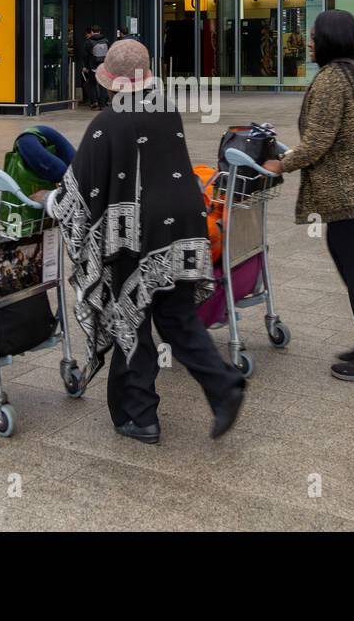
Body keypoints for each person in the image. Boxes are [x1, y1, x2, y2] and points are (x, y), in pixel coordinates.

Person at [38, 38, 245, 444]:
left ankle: (141, 416)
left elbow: (78, 191)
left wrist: (49, 202)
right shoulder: (164, 107)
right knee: (177, 318)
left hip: (135, 234)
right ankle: (224, 387)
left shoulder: (108, 123)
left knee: (129, 319)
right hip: (184, 224)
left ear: (110, 80)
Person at [261, 9, 354, 385]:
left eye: (313, 36)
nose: (307, 42)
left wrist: (281, 164)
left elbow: (318, 142)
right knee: (351, 262)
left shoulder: (331, 79)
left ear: (330, 40)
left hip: (353, 190)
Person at [82, 24, 110, 110]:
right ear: (100, 31)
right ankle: (103, 104)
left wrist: (85, 67)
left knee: (92, 84)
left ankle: (94, 103)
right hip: (103, 66)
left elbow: (86, 56)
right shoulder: (106, 41)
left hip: (92, 66)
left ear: (92, 32)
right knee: (103, 85)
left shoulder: (88, 42)